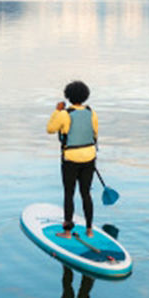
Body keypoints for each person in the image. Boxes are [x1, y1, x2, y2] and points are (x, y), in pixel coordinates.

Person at [46, 80, 98, 238]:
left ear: (67, 96)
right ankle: (89, 230)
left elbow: (50, 129)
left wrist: (56, 111)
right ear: (85, 96)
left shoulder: (64, 114)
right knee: (86, 193)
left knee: (69, 194)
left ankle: (67, 231)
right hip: (89, 156)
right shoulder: (91, 112)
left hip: (71, 158)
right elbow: (95, 133)